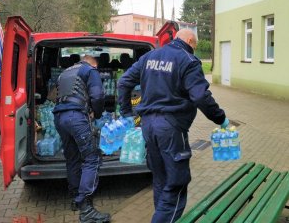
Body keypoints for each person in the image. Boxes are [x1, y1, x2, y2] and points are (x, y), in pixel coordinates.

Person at [118, 29, 229, 223]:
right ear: (189, 40)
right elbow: (200, 96)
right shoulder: (188, 60)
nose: (194, 49)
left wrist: (127, 114)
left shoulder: (149, 56)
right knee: (177, 182)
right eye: (194, 46)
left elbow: (124, 82)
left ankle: (161, 216)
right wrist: (220, 119)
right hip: (170, 128)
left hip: (148, 126)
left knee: (161, 179)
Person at [53, 55, 111, 223]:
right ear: (93, 63)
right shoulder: (90, 70)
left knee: (72, 158)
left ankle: (75, 199)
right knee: (91, 158)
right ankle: (86, 209)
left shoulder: (65, 72)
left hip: (59, 117)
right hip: (75, 117)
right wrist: (97, 114)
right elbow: (98, 96)